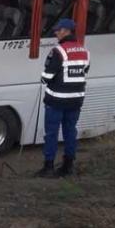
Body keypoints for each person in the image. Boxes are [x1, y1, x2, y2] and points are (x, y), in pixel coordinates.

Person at [36, 18, 90, 178]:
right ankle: (68, 166)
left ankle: (49, 167)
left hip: (56, 100)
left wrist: (44, 78)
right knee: (70, 132)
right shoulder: (85, 50)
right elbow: (85, 70)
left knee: (51, 133)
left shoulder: (58, 51)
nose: (56, 33)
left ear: (66, 31)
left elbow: (47, 76)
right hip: (76, 100)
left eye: (58, 30)